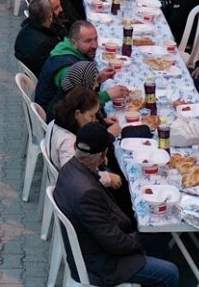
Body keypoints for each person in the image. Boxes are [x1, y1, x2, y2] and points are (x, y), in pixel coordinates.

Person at [53, 123, 179, 287]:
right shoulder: (87, 194)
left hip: (94, 245)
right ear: (102, 156)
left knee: (159, 240)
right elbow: (115, 243)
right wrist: (139, 240)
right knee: (170, 272)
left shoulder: (70, 168)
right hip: (101, 264)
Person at [35, 21, 126, 117]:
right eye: (88, 41)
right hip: (54, 119)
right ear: (74, 43)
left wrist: (97, 79)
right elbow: (80, 106)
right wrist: (107, 95)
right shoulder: (66, 70)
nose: (95, 45)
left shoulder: (65, 48)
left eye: (95, 39)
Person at [44, 88, 122, 186]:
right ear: (77, 114)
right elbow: (75, 175)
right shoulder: (68, 143)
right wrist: (108, 178)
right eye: (91, 116)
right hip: (68, 187)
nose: (95, 120)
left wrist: (103, 121)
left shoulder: (56, 122)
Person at [14, 0, 63, 76]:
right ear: (50, 17)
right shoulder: (48, 43)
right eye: (56, 8)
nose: (61, 10)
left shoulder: (23, 31)